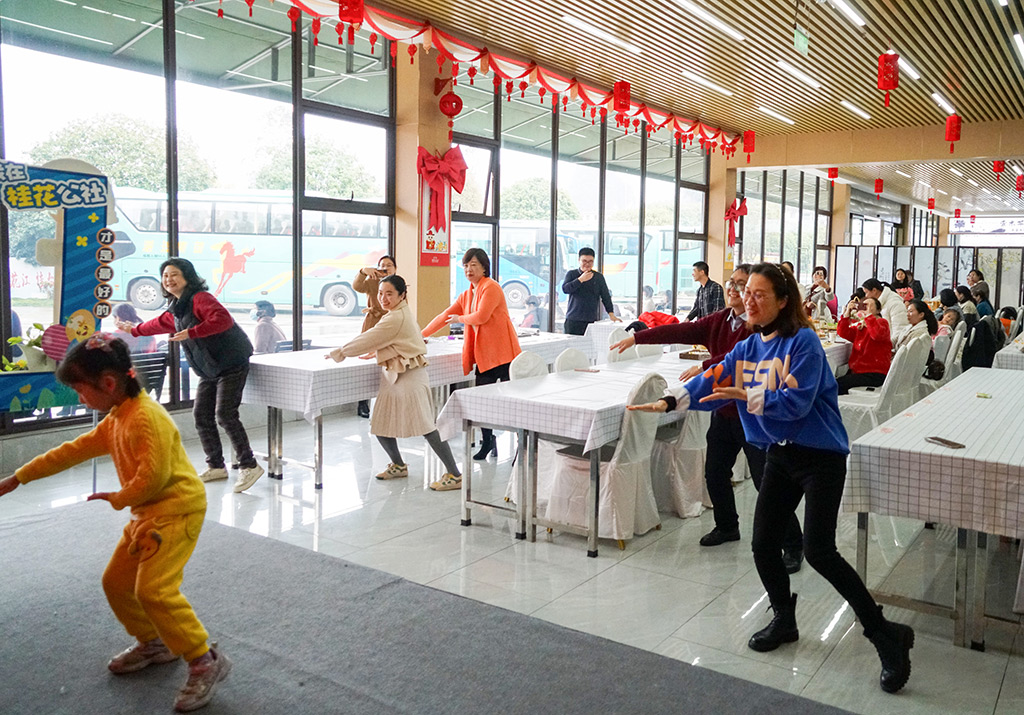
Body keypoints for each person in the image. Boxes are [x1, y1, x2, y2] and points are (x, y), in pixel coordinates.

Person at [628, 262, 915, 694]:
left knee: (819, 551)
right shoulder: (749, 345)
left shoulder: (804, 343)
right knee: (763, 544)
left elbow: (796, 402)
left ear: (783, 301)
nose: (748, 300)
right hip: (779, 453)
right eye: (747, 292)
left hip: (821, 457)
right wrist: (671, 401)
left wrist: (748, 395)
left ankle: (884, 634)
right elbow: (714, 377)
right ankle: (784, 618)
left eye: (759, 294)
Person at [0, 335, 231, 712]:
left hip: (177, 510)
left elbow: (153, 477)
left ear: (108, 383)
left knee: (154, 591)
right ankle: (154, 642)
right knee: (116, 583)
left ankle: (204, 660)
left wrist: (119, 498)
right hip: (147, 513)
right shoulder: (117, 417)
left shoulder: (146, 417)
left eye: (80, 391)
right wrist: (20, 477)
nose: (80, 399)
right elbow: (72, 451)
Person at [612, 263, 804, 569]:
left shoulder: (761, 326)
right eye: (732, 283)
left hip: (754, 416)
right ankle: (727, 526)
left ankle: (793, 544)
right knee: (714, 473)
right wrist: (638, 337)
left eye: (743, 286)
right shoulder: (719, 320)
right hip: (723, 413)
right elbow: (680, 330)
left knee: (766, 484)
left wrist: (705, 366)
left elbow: (734, 359)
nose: (734, 290)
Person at [115, 258, 263, 494]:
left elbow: (222, 319)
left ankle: (249, 465)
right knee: (201, 415)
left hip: (231, 362)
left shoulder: (200, 298)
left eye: (174, 274)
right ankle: (216, 466)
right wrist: (134, 330)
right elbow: (160, 323)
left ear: (187, 277)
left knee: (225, 414)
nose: (169, 280)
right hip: (208, 368)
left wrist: (192, 332)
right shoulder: (178, 306)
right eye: (165, 276)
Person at [326, 275, 462, 490]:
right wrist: (378, 351)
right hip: (396, 376)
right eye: (381, 293)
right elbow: (391, 340)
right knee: (380, 423)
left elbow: (370, 338)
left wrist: (341, 352)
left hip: (409, 377)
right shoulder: (398, 313)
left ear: (402, 295)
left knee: (427, 427)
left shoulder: (396, 317)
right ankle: (398, 465)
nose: (383, 298)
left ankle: (455, 475)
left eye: (389, 294)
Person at [423, 248, 521, 465]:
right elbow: (445, 316)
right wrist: (422, 334)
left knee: (512, 403)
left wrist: (459, 319)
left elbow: (482, 316)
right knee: (482, 402)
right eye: (466, 266)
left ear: (484, 267)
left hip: (504, 354)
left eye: (473, 265)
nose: (469, 269)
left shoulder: (491, 287)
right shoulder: (467, 294)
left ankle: (521, 445)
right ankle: (488, 441)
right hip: (484, 356)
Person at [352, 255, 397, 418]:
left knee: (389, 362)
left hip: (391, 324)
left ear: (395, 269)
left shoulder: (399, 284)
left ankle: (388, 402)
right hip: (372, 323)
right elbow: (357, 286)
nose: (385, 268)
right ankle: (362, 403)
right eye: (382, 265)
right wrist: (363, 271)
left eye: (389, 265)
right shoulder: (372, 282)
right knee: (366, 363)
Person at [835, 297, 891, 395]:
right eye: (863, 305)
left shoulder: (882, 322)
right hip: (858, 371)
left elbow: (876, 335)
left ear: (878, 310)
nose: (865, 307)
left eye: (868, 305)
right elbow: (843, 332)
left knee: (838, 384)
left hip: (875, 373)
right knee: (833, 381)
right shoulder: (861, 326)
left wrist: (868, 316)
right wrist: (847, 312)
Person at [561, 247, 621, 336]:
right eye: (584, 261)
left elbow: (605, 296)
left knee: (590, 344)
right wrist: (580, 279)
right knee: (571, 343)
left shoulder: (598, 277)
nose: (587, 264)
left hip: (591, 320)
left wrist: (611, 314)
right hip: (573, 319)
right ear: (579, 260)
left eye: (590, 261)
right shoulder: (572, 274)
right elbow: (565, 289)